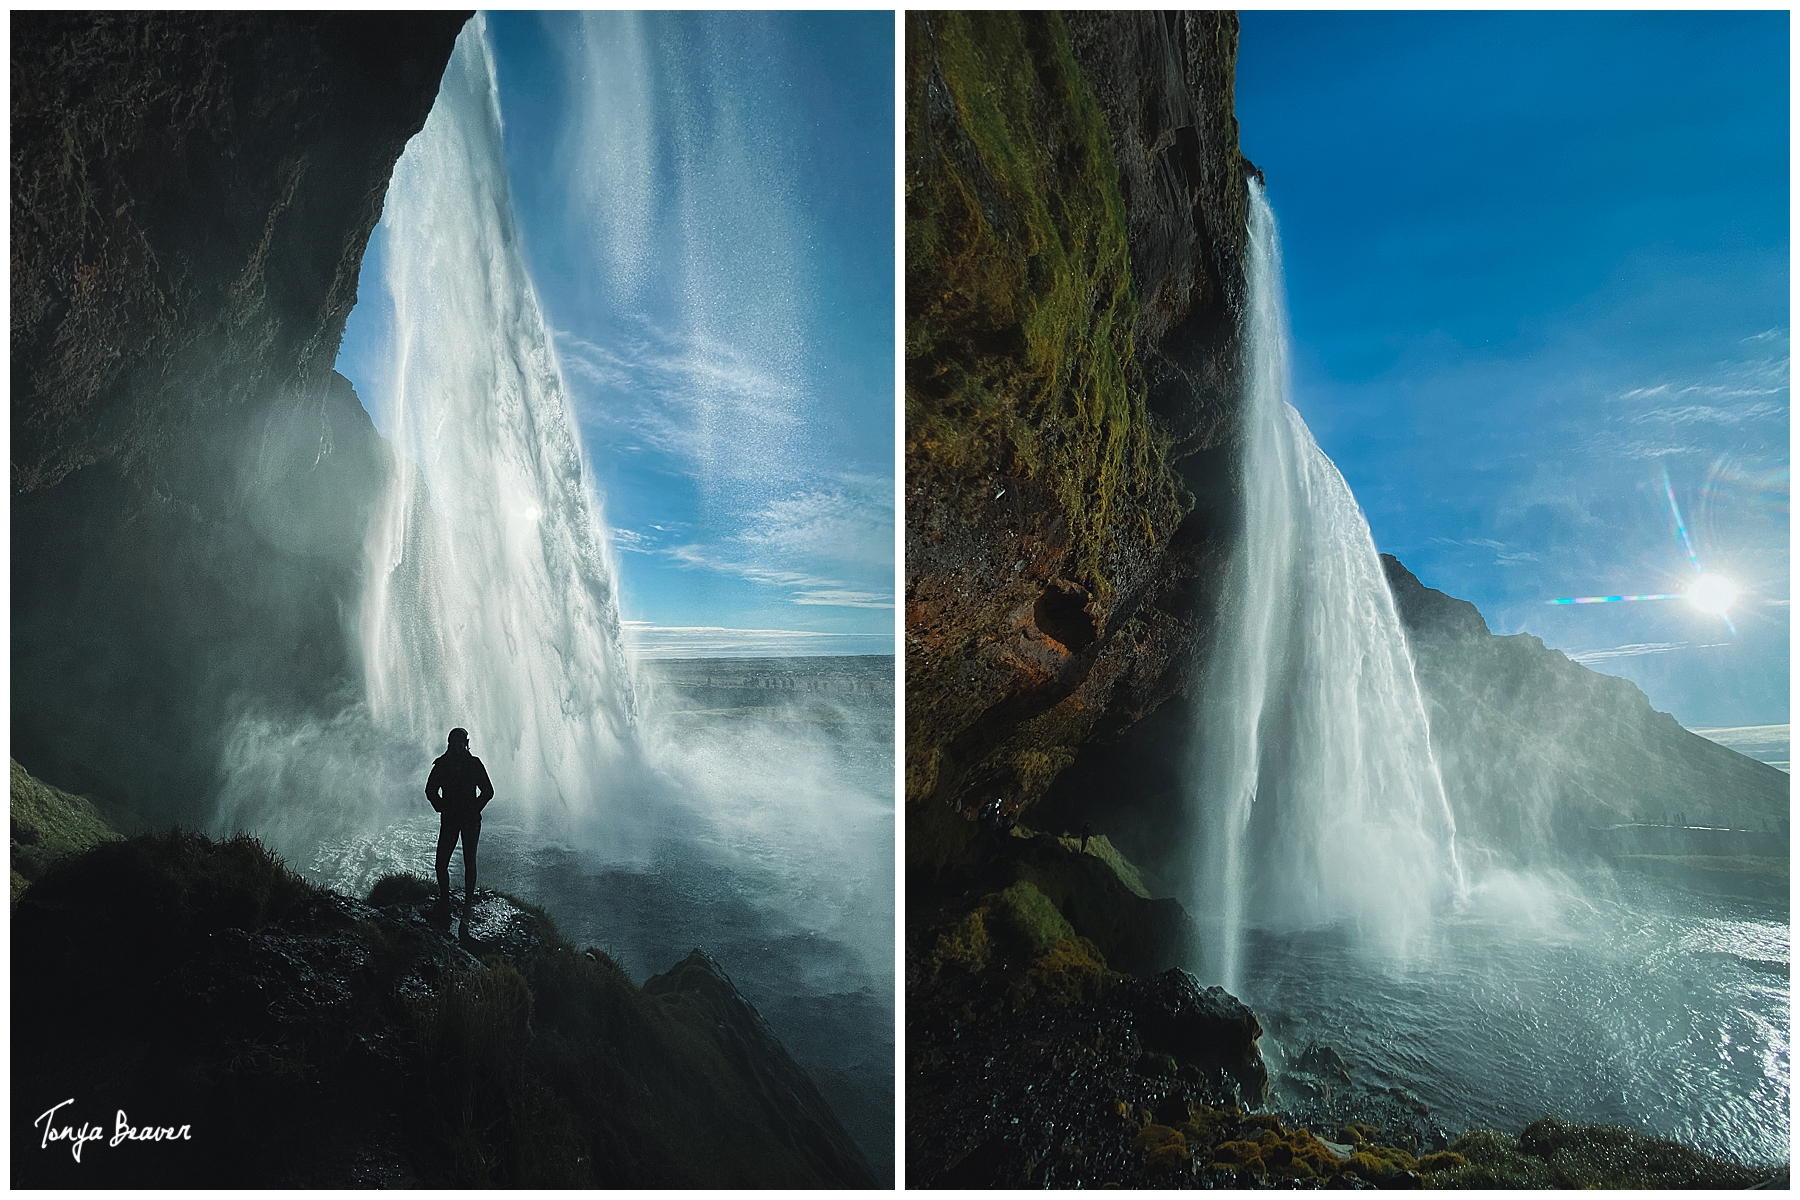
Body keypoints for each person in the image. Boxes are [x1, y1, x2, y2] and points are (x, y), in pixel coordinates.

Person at [426, 727, 493, 918]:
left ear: (466, 743)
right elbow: (430, 790)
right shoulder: (443, 764)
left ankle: (467, 904)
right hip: (453, 820)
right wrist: (441, 807)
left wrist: (473, 809)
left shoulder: (472, 764)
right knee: (441, 863)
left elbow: (488, 790)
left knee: (469, 862)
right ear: (449, 743)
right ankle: (445, 900)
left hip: (468, 820)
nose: (456, 745)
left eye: (459, 741)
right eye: (453, 741)